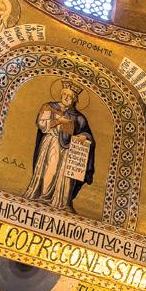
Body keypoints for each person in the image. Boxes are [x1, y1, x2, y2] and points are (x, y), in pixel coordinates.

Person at [25, 84, 95, 213]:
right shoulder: (49, 107)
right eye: (65, 94)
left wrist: (84, 136)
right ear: (61, 94)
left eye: (70, 96)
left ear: (75, 99)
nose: (67, 98)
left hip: (69, 149)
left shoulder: (79, 117)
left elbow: (87, 133)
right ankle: (43, 197)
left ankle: (62, 202)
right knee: (50, 169)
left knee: (66, 176)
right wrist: (58, 121)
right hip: (51, 143)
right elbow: (41, 124)